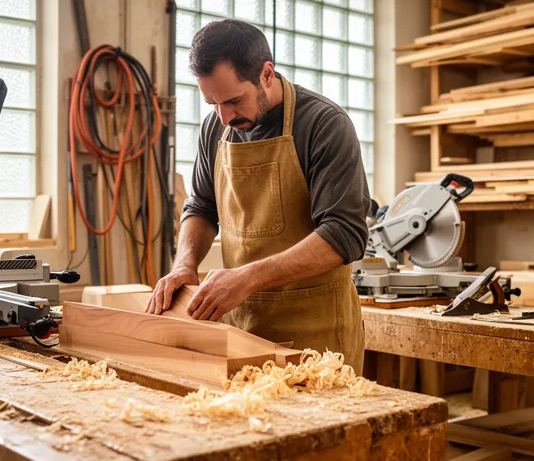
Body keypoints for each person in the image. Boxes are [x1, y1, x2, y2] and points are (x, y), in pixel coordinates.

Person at [146, 19, 370, 373]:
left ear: (266, 74)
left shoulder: (324, 125)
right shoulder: (216, 127)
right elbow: (201, 208)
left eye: (234, 100)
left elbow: (345, 234)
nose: (225, 116)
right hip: (240, 329)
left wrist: (245, 278)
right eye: (212, 104)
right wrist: (184, 266)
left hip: (317, 337)